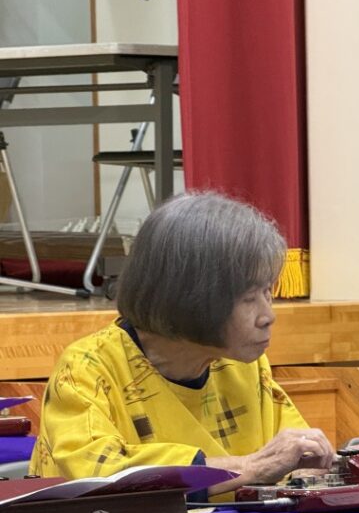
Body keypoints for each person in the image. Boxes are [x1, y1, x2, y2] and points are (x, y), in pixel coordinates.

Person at [29, 192, 334, 495]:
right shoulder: (87, 369)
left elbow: (290, 457)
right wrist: (249, 468)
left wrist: (314, 466)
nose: (268, 316)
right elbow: (99, 476)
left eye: (267, 293)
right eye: (249, 298)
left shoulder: (243, 364)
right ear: (190, 297)